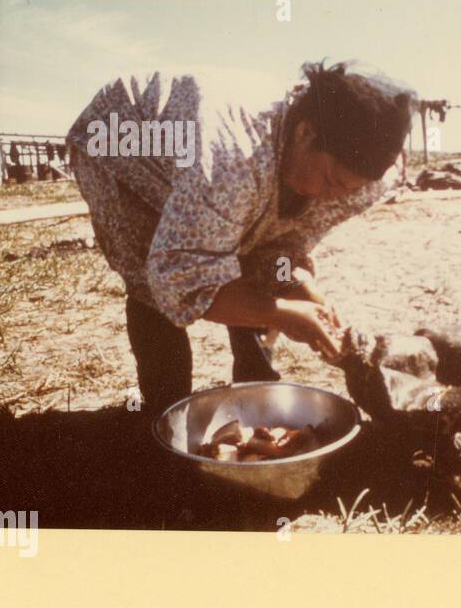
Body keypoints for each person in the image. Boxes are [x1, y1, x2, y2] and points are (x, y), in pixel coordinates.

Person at [66, 61, 414, 416]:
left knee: (252, 256)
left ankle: (256, 388)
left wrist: (298, 289)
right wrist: (281, 315)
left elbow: (279, 249)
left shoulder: (358, 181)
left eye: (346, 190)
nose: (332, 197)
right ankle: (168, 415)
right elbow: (177, 278)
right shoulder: (232, 160)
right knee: (150, 288)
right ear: (305, 133)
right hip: (120, 140)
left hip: (205, 160)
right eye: (330, 181)